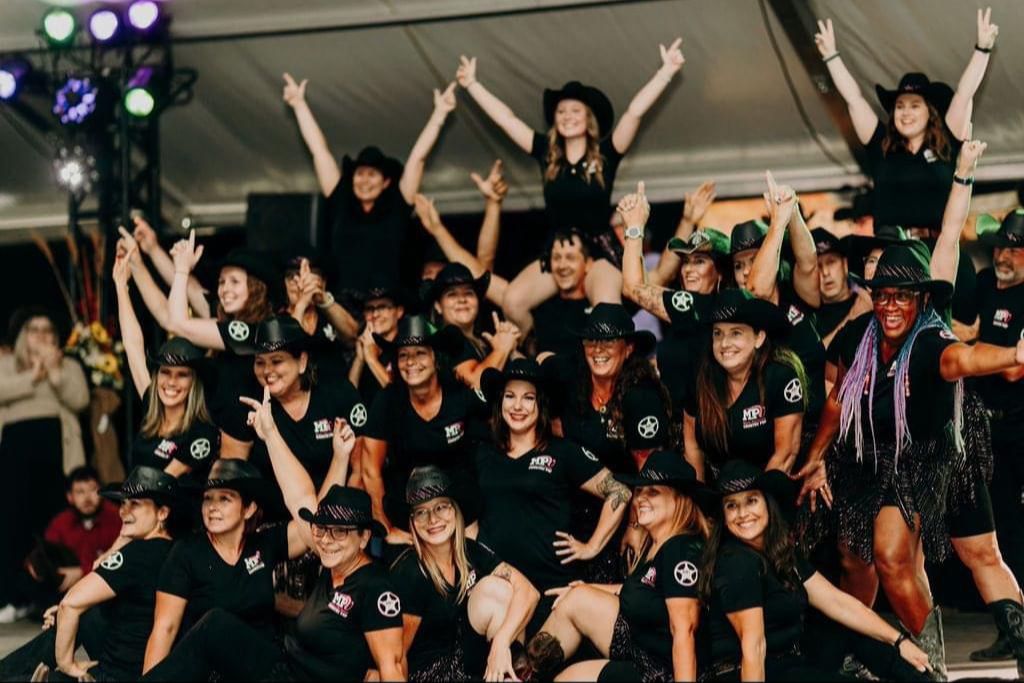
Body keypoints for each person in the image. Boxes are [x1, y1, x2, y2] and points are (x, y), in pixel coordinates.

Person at [798, 241, 1024, 676]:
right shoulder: (859, 336)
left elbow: (967, 358)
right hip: (885, 460)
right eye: (882, 295)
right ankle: (909, 661)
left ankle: (990, 654)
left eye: (901, 296)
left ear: (921, 298)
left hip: (944, 458)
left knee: (977, 553)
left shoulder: (930, 341)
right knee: (871, 555)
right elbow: (838, 400)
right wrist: (815, 457)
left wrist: (1014, 355)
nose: (890, 306)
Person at [144, 387, 404, 681]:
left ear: (364, 538)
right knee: (214, 626)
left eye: (340, 533)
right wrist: (273, 435)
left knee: (214, 626)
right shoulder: (333, 569)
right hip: (281, 669)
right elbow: (305, 502)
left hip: (289, 676)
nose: (326, 540)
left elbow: (393, 666)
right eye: (322, 530)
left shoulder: (374, 587)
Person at [455, 39, 686, 333]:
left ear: (588, 120)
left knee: (607, 308)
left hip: (598, 252)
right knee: (513, 302)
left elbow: (634, 113)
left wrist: (666, 72)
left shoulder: (606, 154)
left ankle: (611, 355)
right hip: (560, 250)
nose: (567, 116)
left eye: (575, 111)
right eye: (561, 112)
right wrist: (472, 84)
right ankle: (532, 346)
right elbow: (507, 120)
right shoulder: (547, 154)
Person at [701, 459, 932, 681]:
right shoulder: (736, 562)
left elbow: (838, 603)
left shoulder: (780, 554)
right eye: (732, 506)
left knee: (846, 626)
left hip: (788, 663)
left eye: (751, 501)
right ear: (724, 516)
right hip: (749, 671)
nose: (742, 514)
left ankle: (921, 677)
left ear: (768, 504)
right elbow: (754, 645)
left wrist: (899, 641)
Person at [517, 452, 713, 682]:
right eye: (639, 491)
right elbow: (640, 590)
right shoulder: (657, 544)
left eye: (653, 492)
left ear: (680, 499)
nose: (640, 499)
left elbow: (684, 631)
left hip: (663, 671)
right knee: (576, 599)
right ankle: (521, 675)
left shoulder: (680, 550)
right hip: (644, 649)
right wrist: (586, 588)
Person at [475, 359, 632, 633]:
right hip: (502, 589)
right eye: (510, 396)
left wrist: (591, 546)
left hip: (552, 591)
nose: (517, 406)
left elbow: (620, 489)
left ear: (542, 404)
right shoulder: (483, 454)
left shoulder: (563, 452)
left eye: (528, 398)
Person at [813, 9, 997, 230]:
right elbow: (854, 99)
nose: (905, 112)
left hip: (935, 246)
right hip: (889, 247)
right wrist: (831, 56)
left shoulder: (946, 143)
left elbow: (964, 94)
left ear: (930, 112)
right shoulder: (880, 143)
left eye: (914, 105)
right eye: (900, 106)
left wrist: (982, 49)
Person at [282, 72, 455, 297]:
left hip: (387, 304)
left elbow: (418, 158)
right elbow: (319, 151)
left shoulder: (398, 203)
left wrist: (440, 114)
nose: (364, 181)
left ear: (386, 182)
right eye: (359, 174)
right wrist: (299, 105)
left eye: (372, 175)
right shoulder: (341, 200)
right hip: (343, 303)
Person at [0, 466, 177, 681]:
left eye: (135, 504)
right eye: (123, 503)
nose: (123, 511)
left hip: (116, 673)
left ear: (162, 513)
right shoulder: (173, 549)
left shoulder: (139, 552)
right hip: (134, 660)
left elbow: (70, 605)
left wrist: (67, 664)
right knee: (80, 613)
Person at [142, 459, 292, 672]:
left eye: (224, 499)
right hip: (211, 671)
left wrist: (338, 458)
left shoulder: (265, 544)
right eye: (207, 499)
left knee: (216, 623)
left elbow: (311, 521)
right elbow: (165, 628)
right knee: (213, 624)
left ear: (248, 508)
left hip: (263, 668)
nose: (212, 507)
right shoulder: (186, 552)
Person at [391, 466, 539, 681]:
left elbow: (529, 592)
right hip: (428, 675)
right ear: (412, 521)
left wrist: (501, 642)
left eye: (441, 507)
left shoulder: (469, 550)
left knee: (499, 590)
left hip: (470, 668)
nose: (432, 519)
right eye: (421, 512)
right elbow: (396, 657)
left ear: (455, 510)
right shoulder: (410, 572)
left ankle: (509, 674)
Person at [955, 209, 1024, 667]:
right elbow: (958, 333)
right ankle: (1011, 632)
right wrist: (971, 347)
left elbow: (1017, 368)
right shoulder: (982, 284)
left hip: (1019, 424)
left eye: (1014, 250)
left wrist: (975, 350)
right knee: (997, 531)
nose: (1003, 256)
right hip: (983, 429)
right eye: (1000, 246)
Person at [361, 315, 490, 547]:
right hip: (407, 509)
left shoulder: (460, 395)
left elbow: (490, 447)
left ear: (435, 358)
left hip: (461, 507)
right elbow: (370, 470)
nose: (411, 362)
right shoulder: (387, 401)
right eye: (403, 355)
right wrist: (385, 528)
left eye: (420, 353)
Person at [225, 315, 366, 517]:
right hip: (273, 522)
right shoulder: (246, 403)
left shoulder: (338, 393)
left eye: (277, 361)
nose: (267, 371)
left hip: (338, 517)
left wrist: (337, 524)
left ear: (302, 361)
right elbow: (231, 481)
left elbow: (359, 473)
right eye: (259, 362)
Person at [0, 308, 89, 619]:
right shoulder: (6, 363)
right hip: (15, 453)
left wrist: (55, 374)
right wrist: (33, 377)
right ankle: (15, 598)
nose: (40, 335)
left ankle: (54, 599)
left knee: (54, 523)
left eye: (47, 329)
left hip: (56, 454)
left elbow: (81, 400)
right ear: (22, 336)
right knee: (13, 524)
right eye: (33, 329)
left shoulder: (69, 365)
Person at [160, 231, 279, 457]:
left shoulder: (250, 332)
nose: (225, 289)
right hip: (215, 440)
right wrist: (149, 249)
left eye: (235, 281)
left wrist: (182, 269)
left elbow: (176, 322)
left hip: (238, 446)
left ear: (255, 288)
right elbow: (189, 290)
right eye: (222, 282)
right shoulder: (231, 325)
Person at [113, 242, 219, 481]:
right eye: (165, 372)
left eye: (182, 374)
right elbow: (133, 346)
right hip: (141, 503)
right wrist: (121, 287)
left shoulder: (201, 433)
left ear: (194, 381)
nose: (171, 382)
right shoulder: (152, 406)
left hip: (162, 504)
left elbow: (160, 485)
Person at [683, 289, 807, 480]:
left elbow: (786, 454)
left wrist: (755, 496)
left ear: (759, 338)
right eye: (718, 333)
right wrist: (698, 494)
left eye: (736, 333)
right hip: (718, 488)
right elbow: (692, 446)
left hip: (771, 486)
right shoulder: (702, 378)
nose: (724, 343)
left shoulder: (780, 377)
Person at [424, 262, 521, 389]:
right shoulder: (445, 341)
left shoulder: (487, 339)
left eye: (468, 293)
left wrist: (511, 345)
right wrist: (502, 349)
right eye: (452, 295)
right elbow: (475, 384)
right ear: (438, 306)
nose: (462, 300)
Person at [31, 467, 122, 596]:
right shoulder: (61, 523)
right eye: (80, 492)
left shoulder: (117, 517)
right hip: (68, 592)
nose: (87, 498)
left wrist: (82, 572)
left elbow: (125, 560)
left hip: (109, 590)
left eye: (93, 490)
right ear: (70, 497)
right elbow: (47, 554)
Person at [283, 252, 360, 381]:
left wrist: (323, 298)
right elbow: (286, 348)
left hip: (335, 388)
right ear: (285, 283)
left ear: (323, 282)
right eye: (292, 277)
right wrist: (302, 302)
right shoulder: (277, 319)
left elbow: (353, 337)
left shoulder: (330, 313)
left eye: (310, 277)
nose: (301, 283)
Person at [347, 281, 407, 402]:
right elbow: (348, 400)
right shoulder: (362, 346)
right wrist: (360, 359)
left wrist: (372, 359)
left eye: (382, 307)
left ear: (399, 312)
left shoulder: (407, 347)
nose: (375, 314)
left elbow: (402, 400)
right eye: (369, 309)